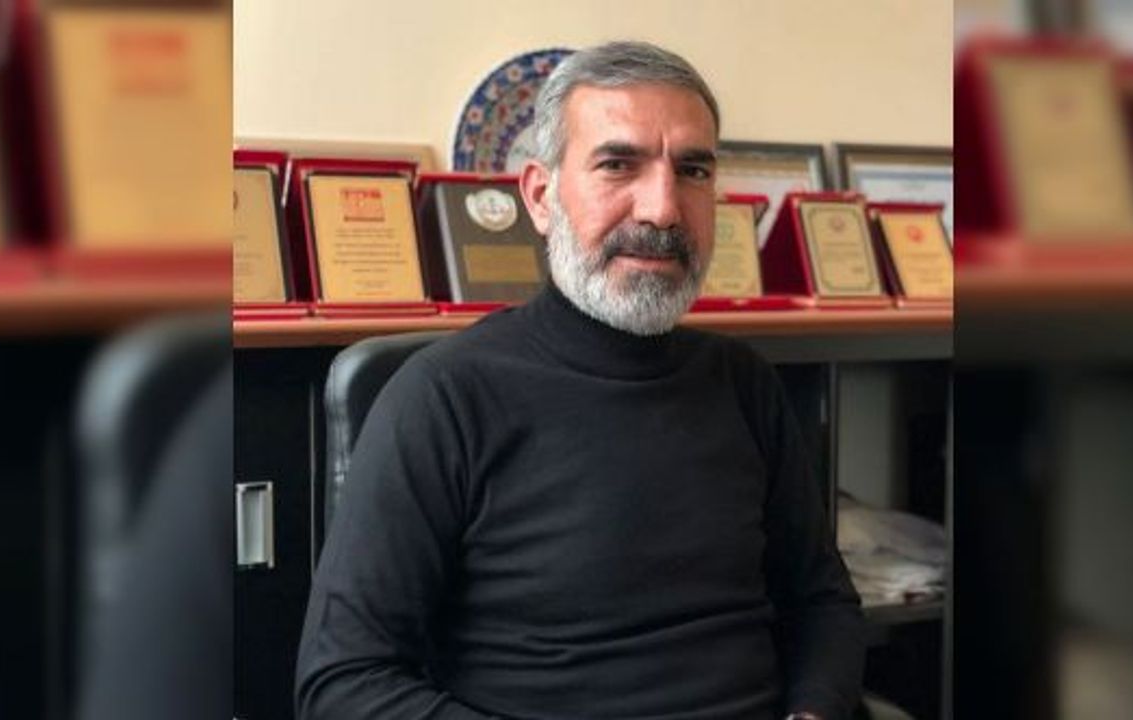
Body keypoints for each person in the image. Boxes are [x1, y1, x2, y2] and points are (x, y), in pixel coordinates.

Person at [296, 41, 865, 720]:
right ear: (541, 197)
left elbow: (822, 603)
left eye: (692, 170)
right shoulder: (443, 398)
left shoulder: (745, 385)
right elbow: (344, 681)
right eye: (618, 165)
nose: (662, 210)